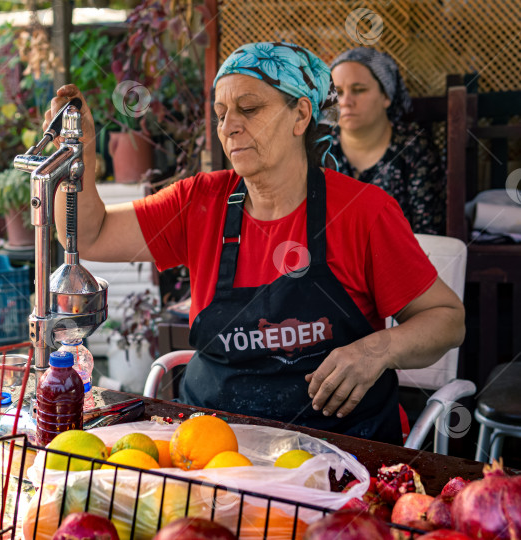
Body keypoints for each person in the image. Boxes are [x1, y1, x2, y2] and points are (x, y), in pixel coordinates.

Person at [43, 41, 465, 444]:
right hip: (214, 446)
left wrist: (380, 348)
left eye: (249, 108)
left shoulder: (362, 211)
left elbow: (447, 319)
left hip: (341, 449)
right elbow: (90, 234)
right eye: (221, 113)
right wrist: (78, 156)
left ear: (301, 115)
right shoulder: (199, 202)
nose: (229, 127)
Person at [329, 47, 446, 235]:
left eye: (359, 90)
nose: (345, 101)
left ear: (386, 96)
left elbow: (429, 231)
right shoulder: (320, 148)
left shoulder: (413, 149)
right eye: (338, 92)